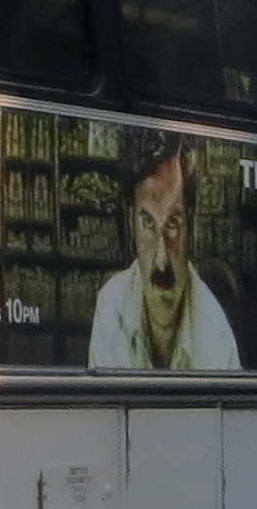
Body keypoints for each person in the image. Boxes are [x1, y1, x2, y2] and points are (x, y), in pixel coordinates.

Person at [87, 139, 239, 372]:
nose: (161, 262)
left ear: (191, 227)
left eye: (173, 224)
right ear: (132, 225)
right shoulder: (112, 305)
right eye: (148, 222)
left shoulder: (215, 329)